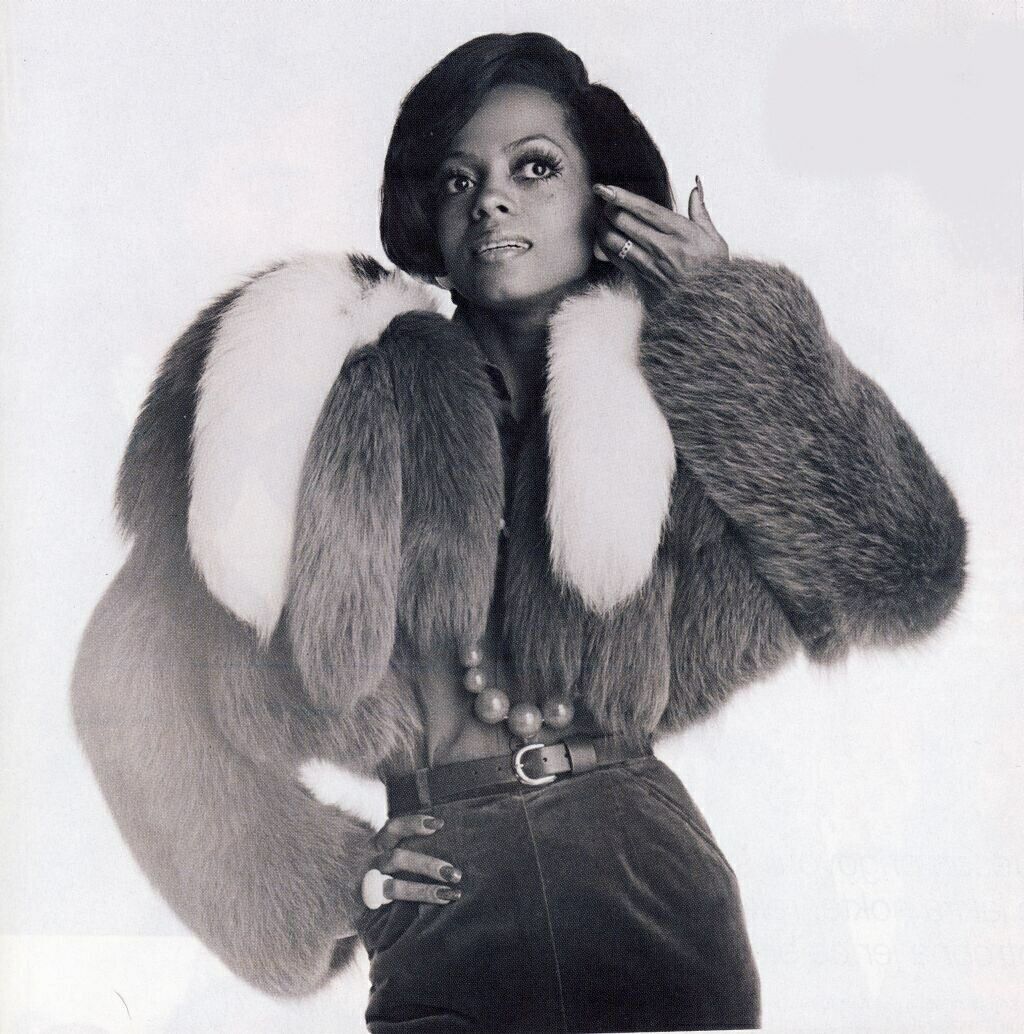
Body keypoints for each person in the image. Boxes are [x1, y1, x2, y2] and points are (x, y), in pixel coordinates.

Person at [71, 31, 967, 1034]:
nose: (491, 199)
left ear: (604, 201)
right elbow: (134, 674)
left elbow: (903, 569)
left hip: (652, 884)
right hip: (444, 894)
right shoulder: (326, 378)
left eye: (534, 167)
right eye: (459, 178)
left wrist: (730, 322)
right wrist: (320, 878)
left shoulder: (683, 397)